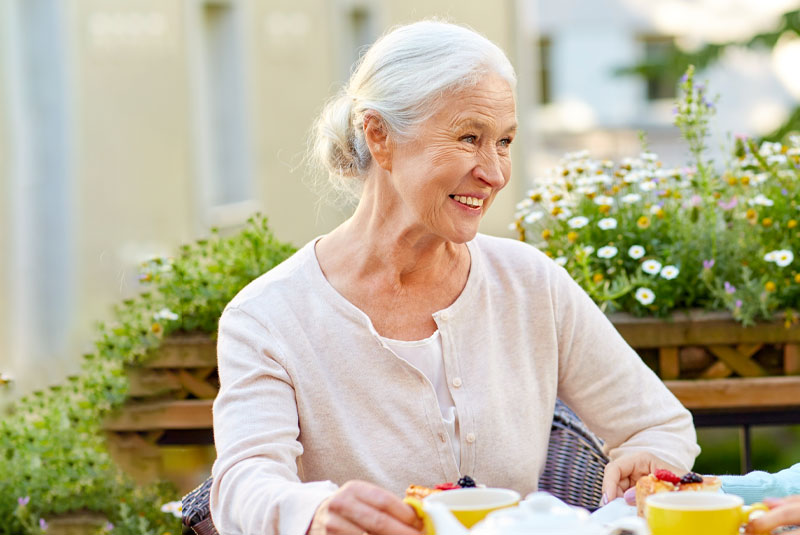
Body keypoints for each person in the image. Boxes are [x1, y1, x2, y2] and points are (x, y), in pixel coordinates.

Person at [209, 20, 700, 535]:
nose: (495, 172)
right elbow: (243, 479)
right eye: (469, 138)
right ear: (379, 136)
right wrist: (311, 513)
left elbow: (658, 423)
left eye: (505, 141)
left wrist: (646, 458)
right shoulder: (266, 317)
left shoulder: (531, 284)